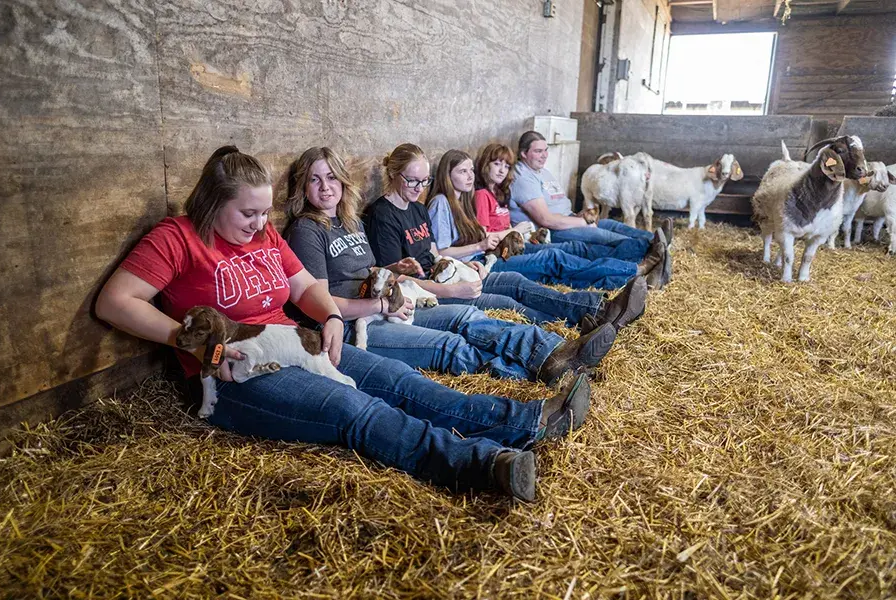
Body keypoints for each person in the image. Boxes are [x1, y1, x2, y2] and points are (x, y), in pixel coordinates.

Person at [94, 145, 597, 502]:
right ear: (210, 203)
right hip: (237, 373)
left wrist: (331, 315)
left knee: (399, 379)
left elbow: (301, 286)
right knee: (353, 406)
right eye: (246, 213)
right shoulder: (177, 238)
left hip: (298, 340)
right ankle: (477, 465)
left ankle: (524, 421)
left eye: (263, 212)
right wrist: (193, 345)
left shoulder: (265, 235)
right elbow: (116, 301)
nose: (257, 223)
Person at [284, 146, 621, 384]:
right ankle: (540, 374)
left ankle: (558, 353)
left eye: (331, 178)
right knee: (453, 345)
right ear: (303, 184)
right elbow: (321, 304)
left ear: (344, 182)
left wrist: (396, 276)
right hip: (364, 324)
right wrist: (382, 303)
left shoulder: (352, 221)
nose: (326, 187)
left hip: (397, 300)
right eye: (315, 180)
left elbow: (376, 272)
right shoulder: (307, 230)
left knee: (468, 315)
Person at [363, 143, 645, 329]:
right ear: (393, 173)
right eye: (412, 180)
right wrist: (453, 288)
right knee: (510, 302)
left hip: (449, 273)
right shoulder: (382, 215)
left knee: (519, 281)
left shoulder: (417, 207)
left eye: (424, 180)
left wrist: (465, 266)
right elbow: (396, 279)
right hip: (429, 291)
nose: (419, 186)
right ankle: (573, 326)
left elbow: (435, 253)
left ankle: (597, 309)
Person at [427, 148, 665, 291]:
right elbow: (441, 253)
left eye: (470, 170)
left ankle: (635, 264)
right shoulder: (441, 203)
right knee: (557, 256)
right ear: (447, 175)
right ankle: (636, 265)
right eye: (462, 171)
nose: (470, 176)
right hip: (480, 264)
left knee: (558, 265)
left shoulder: (465, 201)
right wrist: (482, 244)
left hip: (490, 254)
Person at [510, 130, 673, 282]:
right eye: (538, 151)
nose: (544, 155)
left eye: (546, 150)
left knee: (612, 224)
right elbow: (546, 219)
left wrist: (581, 216)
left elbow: (559, 206)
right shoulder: (523, 178)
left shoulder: (542, 171)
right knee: (606, 237)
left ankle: (656, 241)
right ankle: (652, 251)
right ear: (524, 153)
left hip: (569, 219)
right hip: (552, 231)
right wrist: (582, 223)